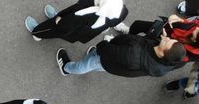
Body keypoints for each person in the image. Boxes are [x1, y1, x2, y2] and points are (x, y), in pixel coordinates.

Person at [58, 31, 186, 78]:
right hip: (115, 65)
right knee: (98, 65)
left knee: (86, 65)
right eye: (171, 40)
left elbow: (106, 50)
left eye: (168, 42)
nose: (168, 38)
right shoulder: (166, 64)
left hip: (107, 56)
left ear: (163, 53)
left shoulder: (133, 54)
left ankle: (67, 68)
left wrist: (101, 46)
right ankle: (92, 57)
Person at [26, 0, 127, 42]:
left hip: (68, 25)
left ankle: (37, 33)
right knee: (62, 22)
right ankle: (55, 18)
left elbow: (69, 23)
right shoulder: (120, 12)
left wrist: (60, 21)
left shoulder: (88, 13)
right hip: (77, 31)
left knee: (52, 29)